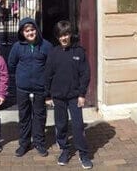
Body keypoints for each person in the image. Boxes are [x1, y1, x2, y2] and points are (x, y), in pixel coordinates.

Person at [45, 20, 93, 169]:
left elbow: (85, 74)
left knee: (78, 125)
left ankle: (83, 153)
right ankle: (65, 150)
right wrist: (47, 96)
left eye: (66, 34)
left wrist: (82, 94)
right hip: (58, 96)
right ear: (57, 37)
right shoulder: (53, 53)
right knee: (61, 125)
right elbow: (48, 74)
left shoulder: (78, 51)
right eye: (61, 35)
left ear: (70, 35)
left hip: (74, 96)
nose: (64, 38)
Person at [7, 17, 52, 157]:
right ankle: (24, 143)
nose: (30, 33)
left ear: (36, 30)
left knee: (39, 116)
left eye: (32, 30)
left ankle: (39, 142)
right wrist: (21, 78)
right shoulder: (17, 47)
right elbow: (11, 64)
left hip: (40, 89)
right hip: (23, 88)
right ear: (22, 32)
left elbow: (51, 68)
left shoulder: (46, 46)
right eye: (27, 31)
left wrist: (48, 90)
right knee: (24, 116)